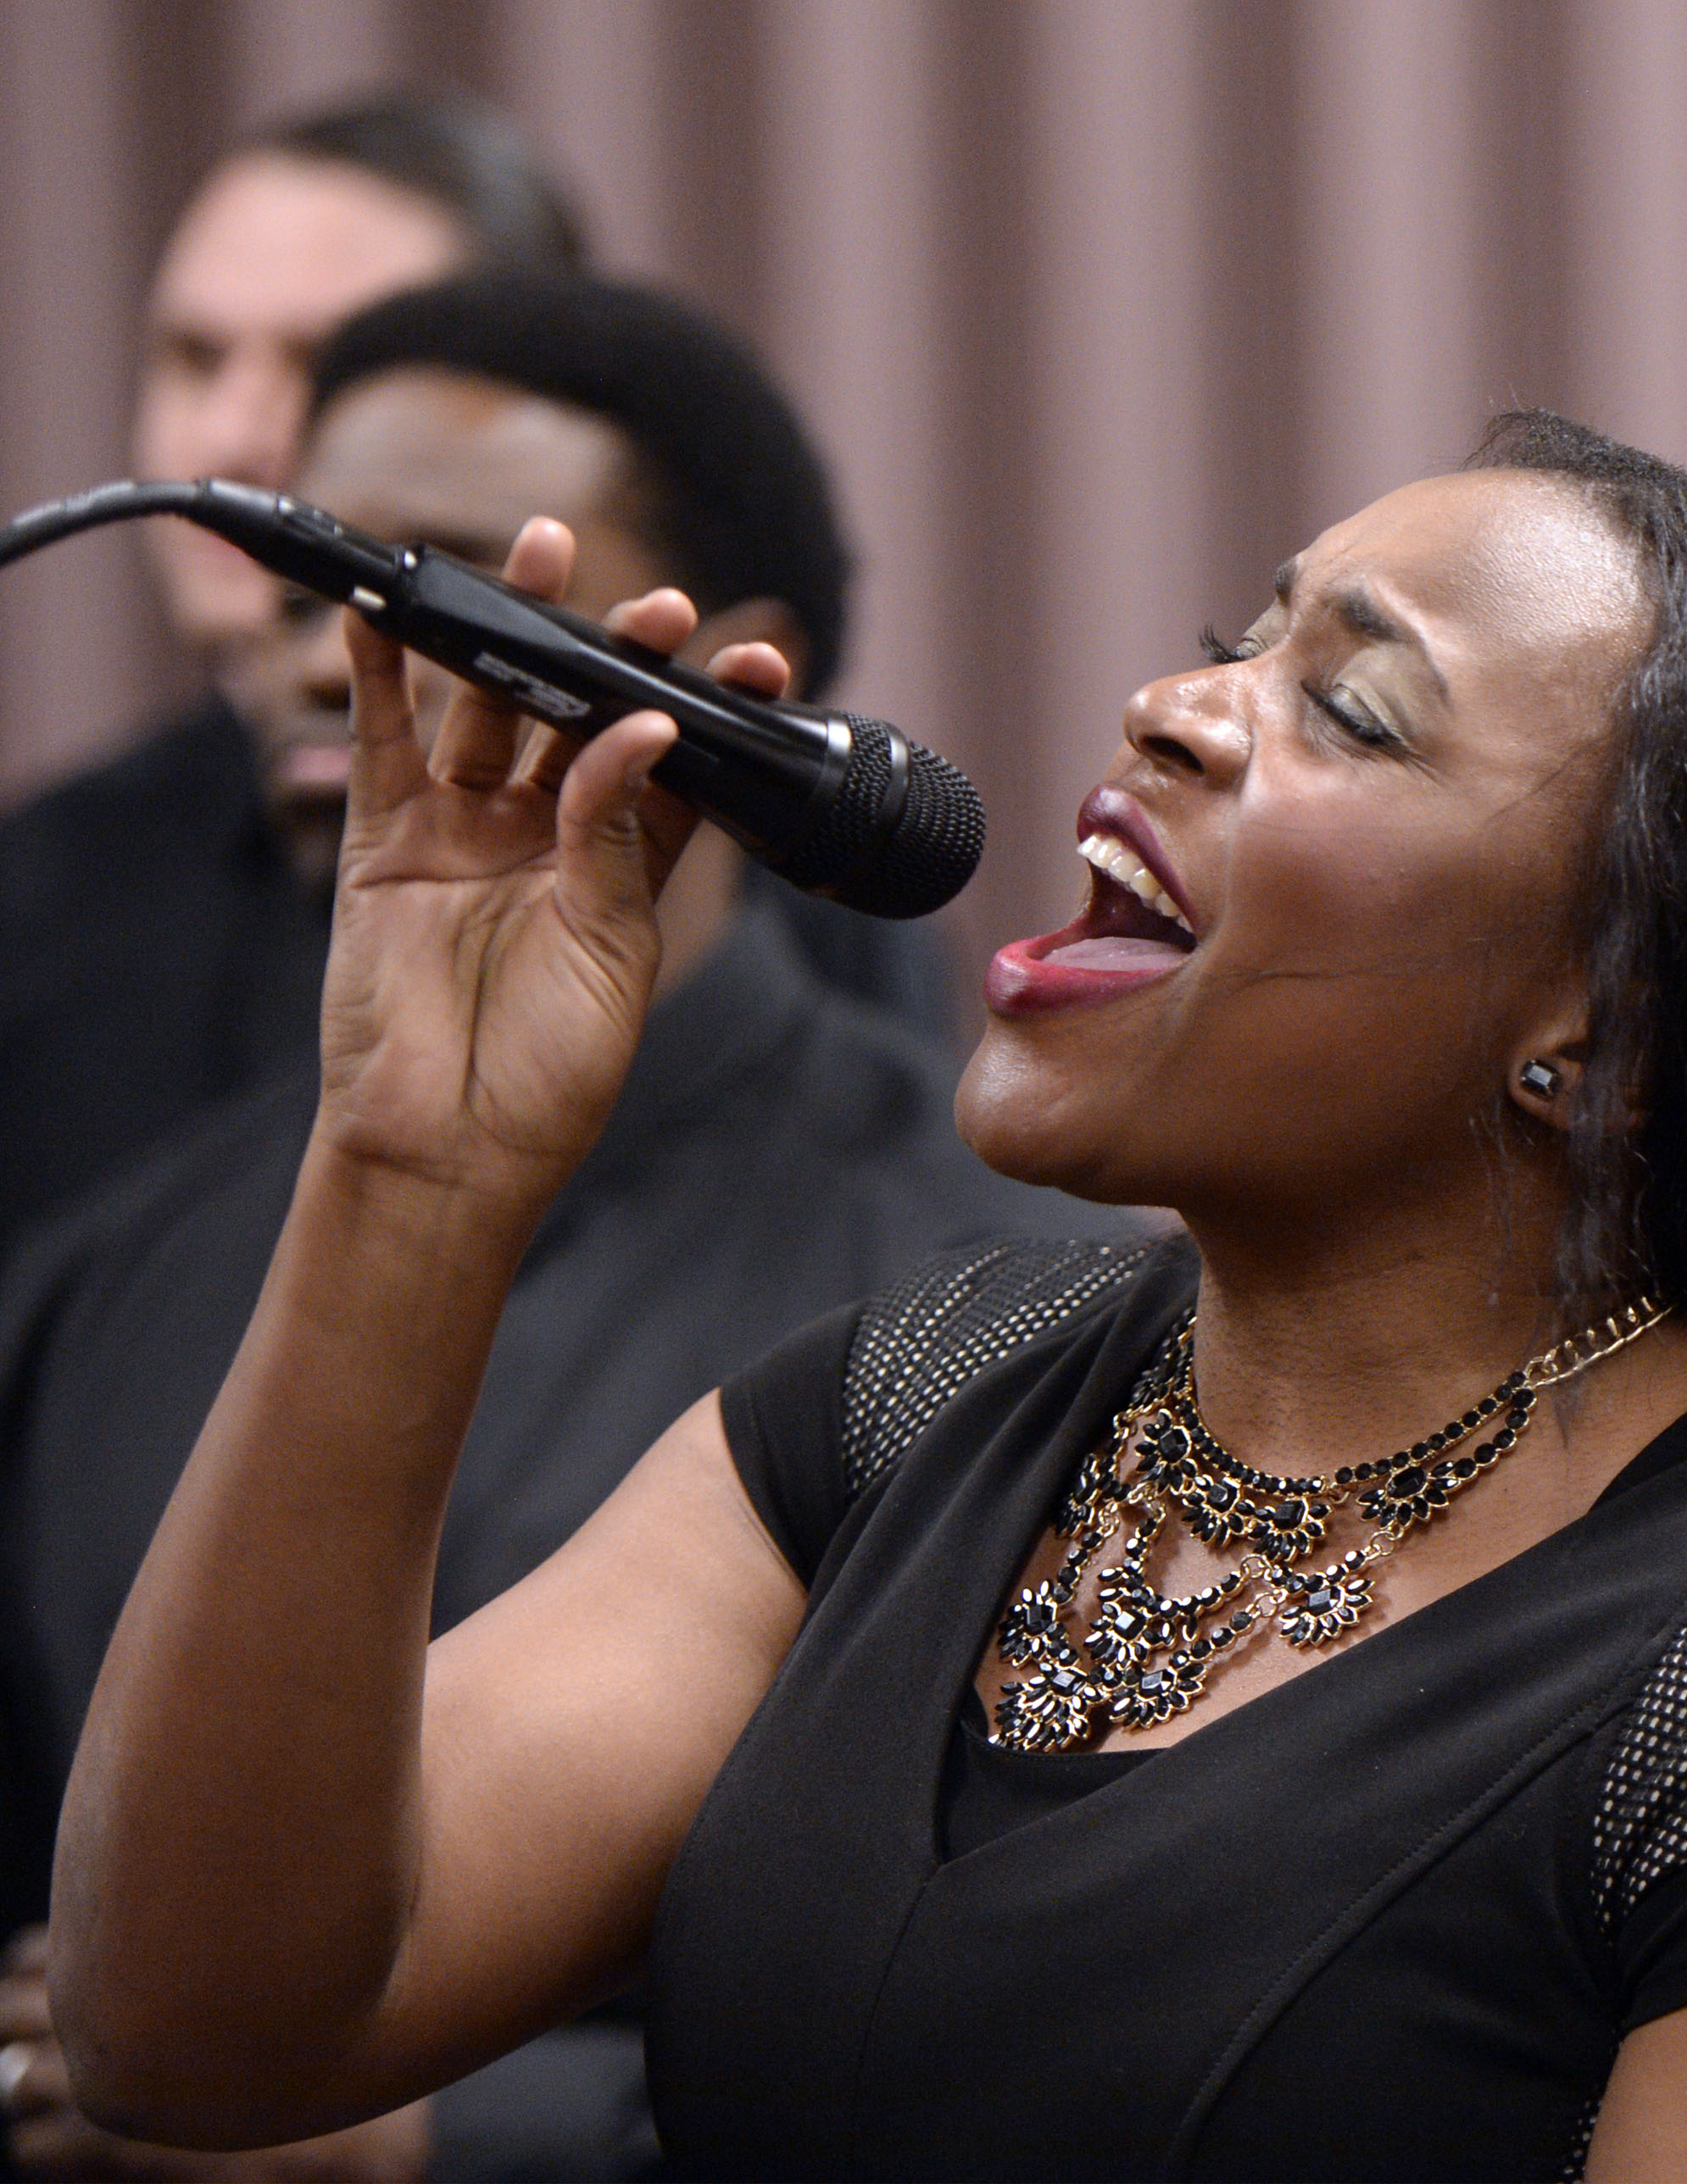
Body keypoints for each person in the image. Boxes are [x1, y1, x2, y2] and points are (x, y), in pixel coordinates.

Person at [42, 411, 1687, 2180]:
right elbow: (198, 2018)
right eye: (1243, 636)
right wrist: (414, 1163)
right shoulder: (921, 1398)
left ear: (1608, 1021)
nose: (1173, 703)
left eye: (1351, 703)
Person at [0, 273, 1112, 2181]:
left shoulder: (985, 1301)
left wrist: (432, 2134)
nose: (321, 633)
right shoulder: (103, 1273)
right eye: (306, 571)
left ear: (725, 681)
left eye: (432, 574)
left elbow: (1033, 2015)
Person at [0, 94, 587, 1259]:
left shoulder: (736, 895)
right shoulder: (29, 903)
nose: (228, 436)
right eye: (194, 358)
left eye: (325, 364)